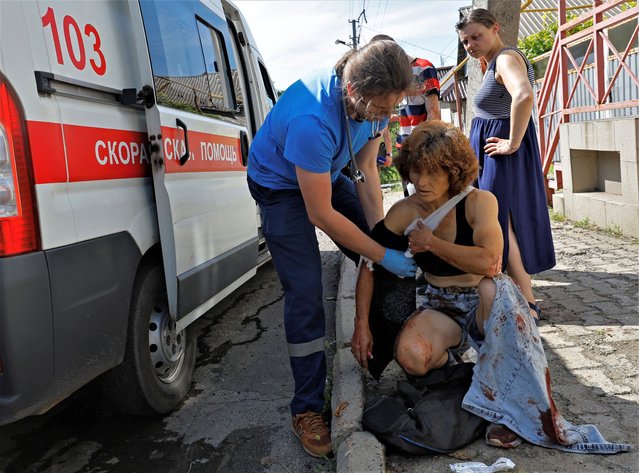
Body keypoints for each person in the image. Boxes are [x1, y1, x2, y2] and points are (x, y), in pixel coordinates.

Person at [352, 121, 630, 454]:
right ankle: (469, 377)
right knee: (411, 356)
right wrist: (361, 325)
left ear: (453, 171)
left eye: (433, 173)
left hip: (485, 304)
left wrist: (431, 244)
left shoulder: (480, 201)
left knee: (492, 289)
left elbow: (490, 263)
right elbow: (368, 263)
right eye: (415, 171)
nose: (422, 182)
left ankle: (502, 406)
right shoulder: (405, 211)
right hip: (441, 303)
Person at [246, 39, 418, 458]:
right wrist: (379, 255)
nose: (387, 118)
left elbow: (366, 178)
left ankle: (390, 351)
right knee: (305, 293)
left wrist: (380, 239)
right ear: (354, 92)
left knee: (377, 250)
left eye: (392, 108)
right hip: (278, 186)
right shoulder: (312, 119)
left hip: (322, 173)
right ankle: (305, 408)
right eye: (381, 109)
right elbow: (320, 214)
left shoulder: (373, 106)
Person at [456, 8, 555, 322]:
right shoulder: (491, 61)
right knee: (501, 220)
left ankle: (527, 301)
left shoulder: (505, 59)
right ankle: (520, 291)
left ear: (495, 28)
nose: (471, 44)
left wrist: (511, 142)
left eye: (476, 36)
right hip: (493, 150)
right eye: (466, 40)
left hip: (502, 151)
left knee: (499, 222)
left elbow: (523, 95)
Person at [371, 34, 441, 196]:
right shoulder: (391, 77)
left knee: (429, 198)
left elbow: (434, 112)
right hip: (403, 147)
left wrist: (425, 145)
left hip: (424, 146)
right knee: (410, 199)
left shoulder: (423, 68)